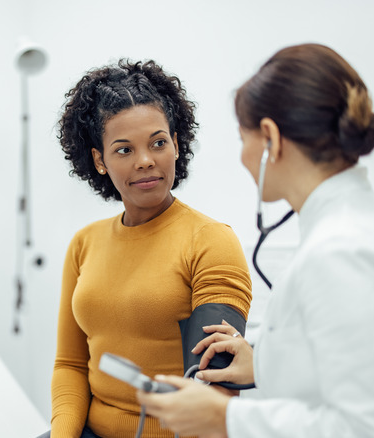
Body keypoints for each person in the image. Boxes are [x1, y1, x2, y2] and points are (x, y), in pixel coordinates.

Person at [136, 43, 374, 437]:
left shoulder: (341, 253)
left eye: (244, 139)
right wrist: (264, 363)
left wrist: (224, 419)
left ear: (270, 139)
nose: (243, 157)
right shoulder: (355, 230)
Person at [41, 59, 253, 438]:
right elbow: (70, 365)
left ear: (176, 143)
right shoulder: (83, 244)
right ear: (99, 160)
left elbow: (213, 384)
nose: (145, 161)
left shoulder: (210, 241)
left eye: (158, 142)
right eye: (124, 150)